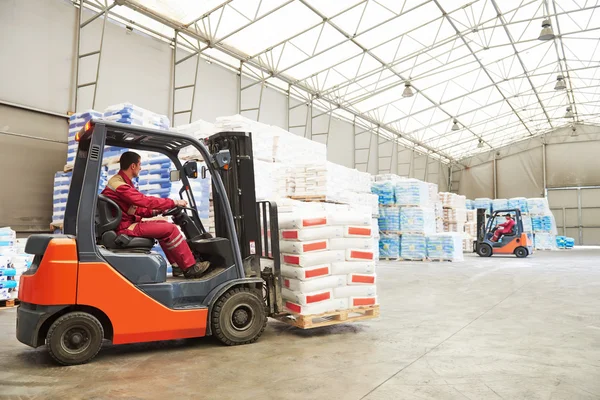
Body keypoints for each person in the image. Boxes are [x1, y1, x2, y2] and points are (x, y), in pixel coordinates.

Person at [101, 151, 209, 279]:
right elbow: (144, 201)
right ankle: (191, 267)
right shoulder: (120, 185)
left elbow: (137, 209)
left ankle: (177, 267)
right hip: (124, 228)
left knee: (163, 225)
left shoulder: (122, 183)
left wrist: (158, 211)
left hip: (125, 224)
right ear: (133, 166)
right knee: (171, 229)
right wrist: (173, 202)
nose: (141, 168)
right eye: (139, 164)